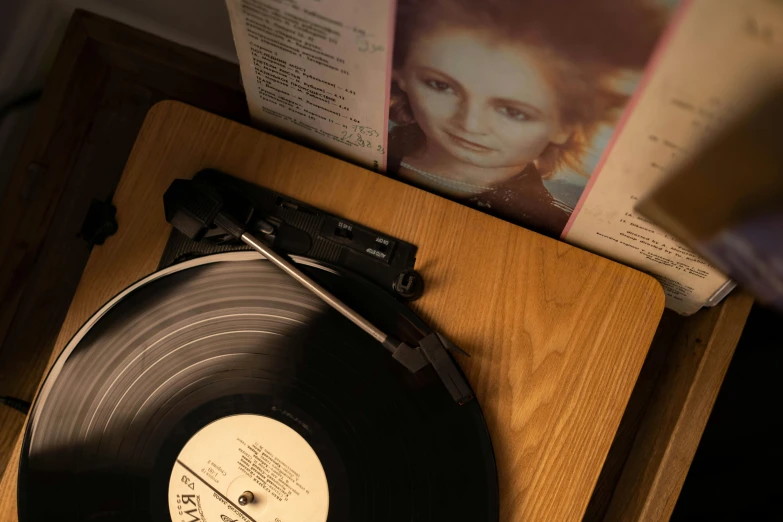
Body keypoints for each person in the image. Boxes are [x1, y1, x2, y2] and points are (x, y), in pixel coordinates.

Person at [388, 0, 668, 236]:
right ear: (400, 73)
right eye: (441, 86)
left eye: (513, 112)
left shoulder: (552, 231)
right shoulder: (369, 154)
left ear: (566, 125)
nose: (469, 124)